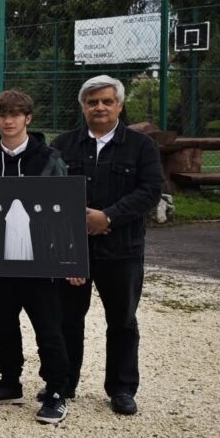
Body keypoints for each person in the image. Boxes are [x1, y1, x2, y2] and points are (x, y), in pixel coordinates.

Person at [53, 75, 164, 416]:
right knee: (68, 318)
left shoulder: (140, 146)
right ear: (83, 106)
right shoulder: (63, 145)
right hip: (74, 248)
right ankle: (64, 381)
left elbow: (150, 190)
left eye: (106, 101)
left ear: (119, 105)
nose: (99, 107)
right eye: (92, 101)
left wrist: (109, 217)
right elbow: (48, 194)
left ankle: (121, 387)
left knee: (123, 320)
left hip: (123, 249)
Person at [0, 89, 73, 426]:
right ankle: (9, 381)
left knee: (48, 326)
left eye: (15, 114)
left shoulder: (49, 159)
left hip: (40, 261)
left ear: (28, 118)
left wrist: (70, 261)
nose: (8, 121)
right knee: (4, 324)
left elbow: (65, 211)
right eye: (2, 115)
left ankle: (57, 389)